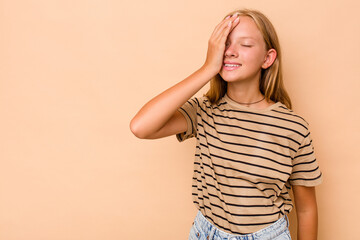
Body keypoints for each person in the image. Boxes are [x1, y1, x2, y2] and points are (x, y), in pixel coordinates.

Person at [130, 8, 323, 240]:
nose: (230, 52)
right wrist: (207, 68)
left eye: (245, 44)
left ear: (267, 58)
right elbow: (141, 126)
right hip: (206, 233)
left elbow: (307, 209)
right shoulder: (203, 111)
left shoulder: (293, 128)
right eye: (225, 43)